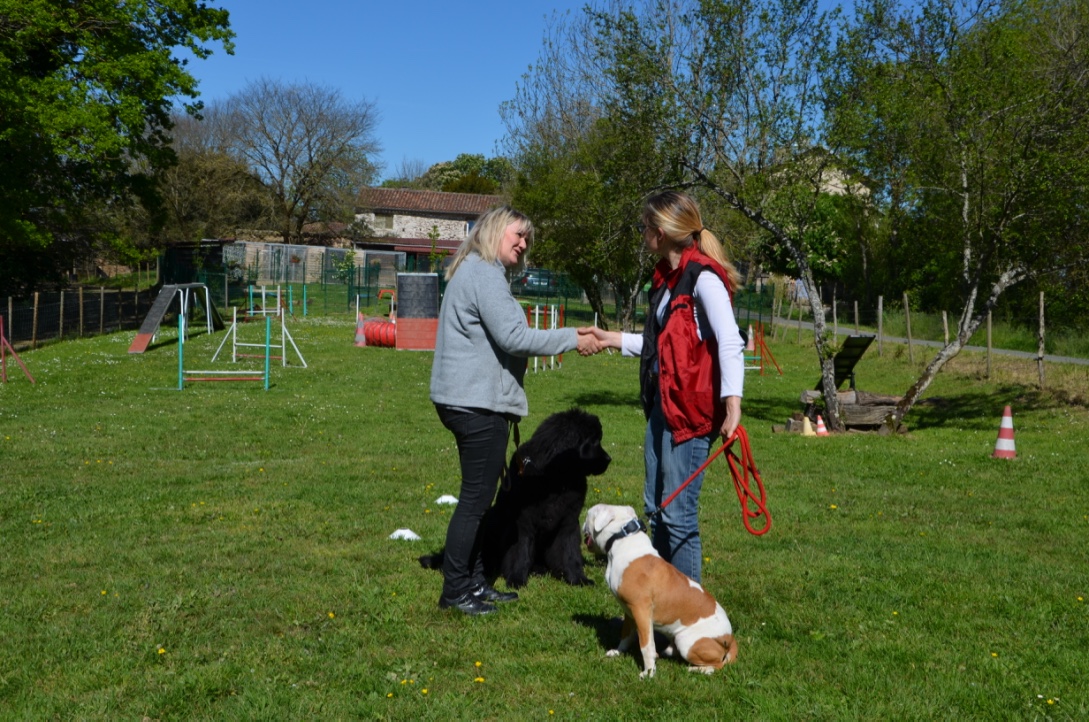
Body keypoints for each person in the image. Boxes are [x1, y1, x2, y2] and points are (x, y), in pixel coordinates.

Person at [430, 205, 602, 616]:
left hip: (465, 400)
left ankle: (473, 582)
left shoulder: (473, 271)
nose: (524, 244)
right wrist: (572, 338)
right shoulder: (484, 274)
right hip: (476, 405)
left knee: (481, 497)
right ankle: (456, 591)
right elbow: (514, 336)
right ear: (494, 231)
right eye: (518, 235)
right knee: (475, 501)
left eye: (528, 239)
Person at [590, 191, 744, 583]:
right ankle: (659, 600)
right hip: (663, 409)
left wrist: (732, 403)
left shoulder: (704, 278)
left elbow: (729, 339)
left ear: (660, 232)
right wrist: (611, 339)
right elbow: (661, 346)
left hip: (690, 417)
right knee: (656, 507)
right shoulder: (668, 280)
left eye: (644, 227)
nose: (642, 234)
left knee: (678, 514)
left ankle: (691, 612)